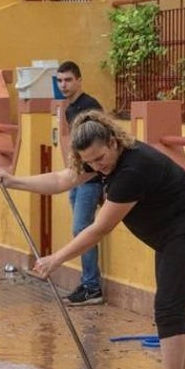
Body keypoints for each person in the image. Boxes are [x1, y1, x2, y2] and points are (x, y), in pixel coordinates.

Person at [0, 110, 185, 369]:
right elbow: (63, 179)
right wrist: (13, 181)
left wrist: (56, 258)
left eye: (100, 158)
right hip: (175, 235)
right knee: (175, 307)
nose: (96, 166)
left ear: (114, 142)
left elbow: (100, 227)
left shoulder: (132, 169)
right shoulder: (103, 162)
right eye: (89, 162)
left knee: (168, 308)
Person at [55, 61, 106, 305]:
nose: (63, 85)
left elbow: (103, 139)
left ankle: (92, 286)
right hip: (78, 178)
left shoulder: (90, 106)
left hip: (91, 179)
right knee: (79, 230)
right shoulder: (69, 109)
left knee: (82, 230)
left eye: (68, 80)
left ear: (79, 81)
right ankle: (88, 283)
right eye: (60, 80)